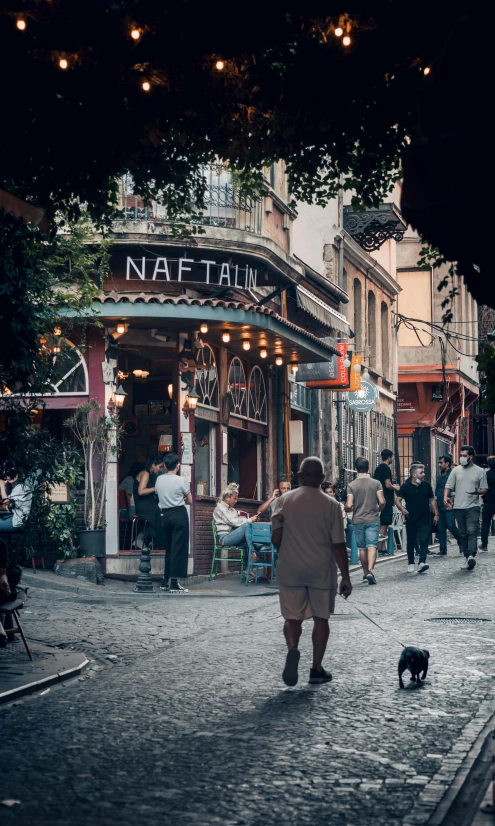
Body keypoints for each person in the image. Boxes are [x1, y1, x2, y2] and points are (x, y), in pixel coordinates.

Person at [271, 457, 351, 687]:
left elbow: (276, 537)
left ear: (299, 477)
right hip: (321, 570)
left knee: (292, 617)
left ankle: (293, 649)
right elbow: (338, 544)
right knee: (321, 619)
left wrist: (285, 548)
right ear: (322, 479)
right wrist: (345, 577)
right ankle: (316, 668)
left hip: (290, 569)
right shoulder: (332, 506)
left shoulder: (283, 501)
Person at [444, 445, 487, 570]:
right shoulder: (456, 470)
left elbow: (484, 489)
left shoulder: (480, 471)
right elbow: (449, 486)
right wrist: (445, 497)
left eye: (464, 456)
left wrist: (476, 492)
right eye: (461, 455)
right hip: (458, 507)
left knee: (472, 531)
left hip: (473, 506)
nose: (462, 458)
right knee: (463, 533)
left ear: (471, 457)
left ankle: (471, 555)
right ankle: (467, 556)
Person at [345, 456, 385, 585]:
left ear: (356, 469)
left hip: (358, 519)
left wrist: (351, 509)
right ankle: (371, 571)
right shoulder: (376, 483)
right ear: (368, 468)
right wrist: (378, 509)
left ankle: (365, 572)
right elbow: (382, 501)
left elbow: (348, 505)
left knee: (362, 548)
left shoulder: (351, 485)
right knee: (372, 545)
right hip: (372, 518)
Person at [155, 453, 192, 593]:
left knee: (169, 548)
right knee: (179, 548)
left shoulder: (159, 479)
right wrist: (180, 498)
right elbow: (190, 500)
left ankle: (165, 581)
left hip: (164, 515)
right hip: (178, 514)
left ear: (164, 466)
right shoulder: (181, 480)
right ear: (178, 466)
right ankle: (175, 583)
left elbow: (159, 494)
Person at [397, 463, 438, 574]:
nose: (423, 474)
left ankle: (422, 562)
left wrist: (436, 514)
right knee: (411, 541)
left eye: (423, 472)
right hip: (411, 517)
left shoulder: (426, 485)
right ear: (414, 474)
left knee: (424, 539)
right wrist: (402, 509)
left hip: (425, 517)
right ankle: (411, 563)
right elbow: (397, 499)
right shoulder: (405, 487)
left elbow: (432, 500)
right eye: (421, 472)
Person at [133, 455, 164, 547]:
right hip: (143, 505)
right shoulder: (145, 474)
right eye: (160, 466)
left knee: (159, 512)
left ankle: (144, 539)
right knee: (159, 513)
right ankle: (153, 541)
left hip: (146, 504)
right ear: (153, 465)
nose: (160, 469)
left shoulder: (149, 475)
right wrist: (156, 488)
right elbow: (141, 491)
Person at [373, 449, 400, 553]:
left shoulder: (378, 468)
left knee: (382, 523)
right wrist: (395, 488)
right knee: (385, 523)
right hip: (386, 499)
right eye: (392, 457)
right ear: (389, 457)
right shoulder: (386, 469)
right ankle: (380, 547)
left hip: (378, 498)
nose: (392, 459)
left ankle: (382, 547)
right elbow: (388, 484)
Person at [435, 454, 462, 555]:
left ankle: (461, 541)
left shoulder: (452, 475)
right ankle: (443, 550)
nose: (439, 465)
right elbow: (437, 490)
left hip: (449, 504)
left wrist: (451, 501)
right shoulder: (439, 476)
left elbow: (455, 489)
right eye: (439, 462)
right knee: (441, 527)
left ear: (447, 464)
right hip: (439, 504)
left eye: (441, 463)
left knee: (451, 525)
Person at [480, 455, 495, 551]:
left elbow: (483, 488)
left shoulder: (486, 475)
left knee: (485, 524)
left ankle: (484, 545)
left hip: (488, 502)